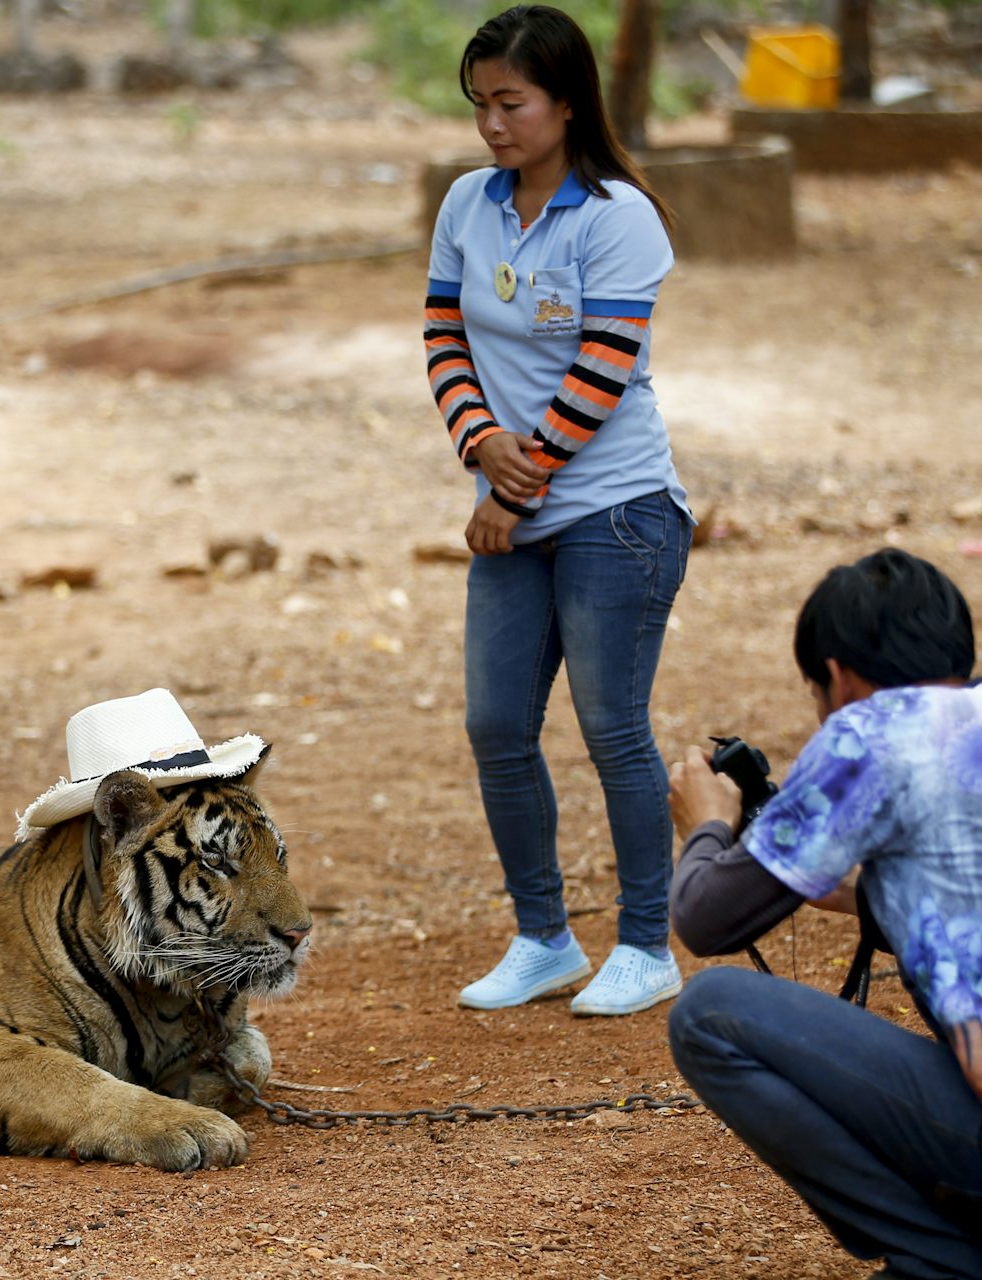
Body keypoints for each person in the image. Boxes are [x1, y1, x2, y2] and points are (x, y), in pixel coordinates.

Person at [667, 548, 982, 1280]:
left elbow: (705, 919)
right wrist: (818, 874)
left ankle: (954, 1268)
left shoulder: (870, 730)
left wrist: (708, 824)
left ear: (835, 677)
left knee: (709, 1014)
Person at [424, 5, 692, 1016]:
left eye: (512, 102)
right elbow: (444, 332)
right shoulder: (469, 204)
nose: (493, 124)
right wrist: (476, 443)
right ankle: (543, 936)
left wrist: (511, 480)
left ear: (566, 102)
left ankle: (646, 941)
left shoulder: (619, 214)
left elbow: (606, 366)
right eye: (480, 104)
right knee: (497, 722)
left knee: (613, 726)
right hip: (513, 500)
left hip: (617, 509)